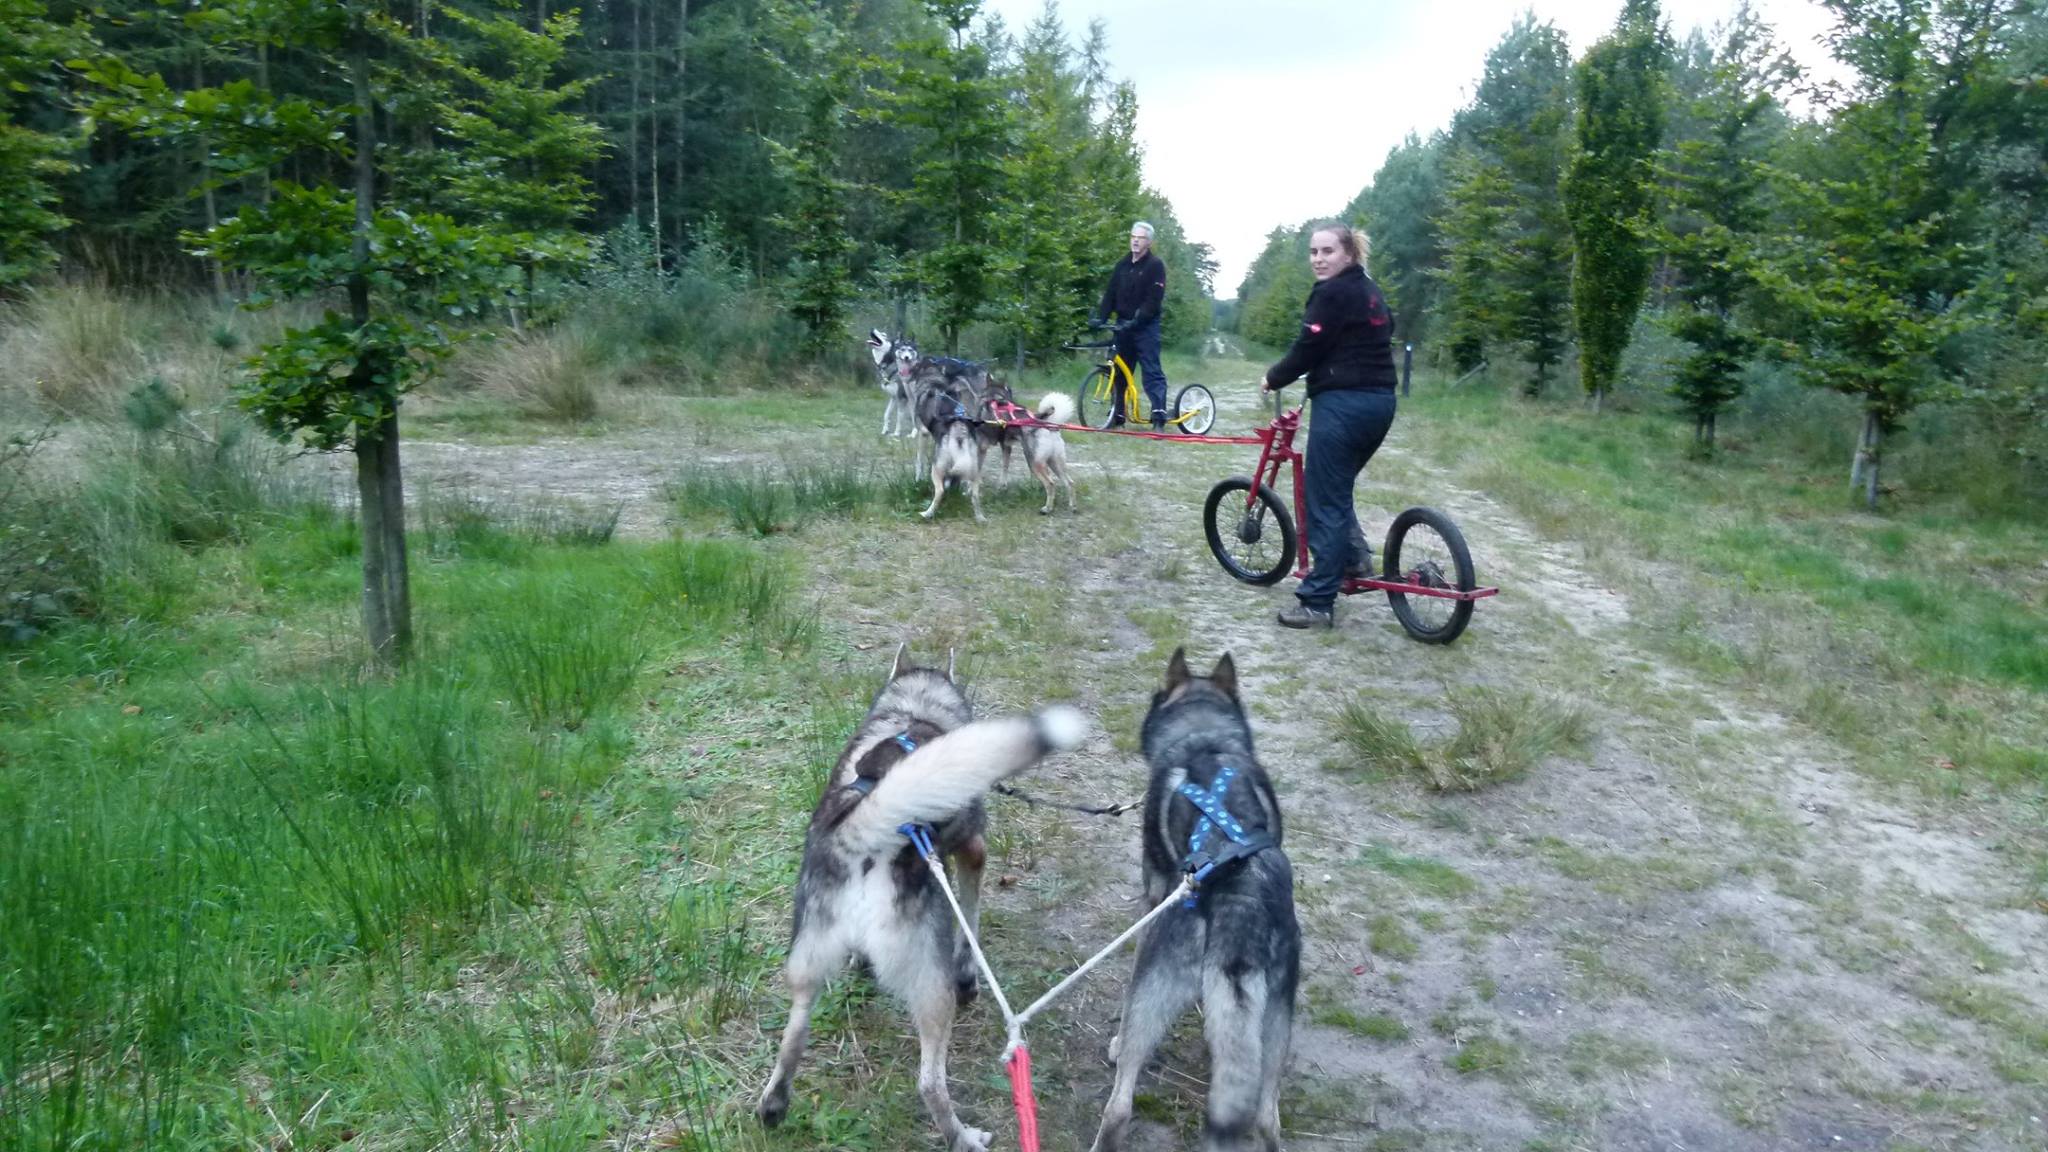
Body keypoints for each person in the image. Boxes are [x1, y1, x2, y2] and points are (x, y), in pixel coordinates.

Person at [1260, 222, 1399, 629]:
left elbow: (1308, 346)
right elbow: (1380, 331)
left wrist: (1273, 377)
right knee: (1335, 489)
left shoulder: (1332, 292)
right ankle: (1353, 558)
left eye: (1328, 252)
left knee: (1322, 499)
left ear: (1349, 255)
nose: (1319, 260)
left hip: (1344, 406)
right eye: (1313, 252)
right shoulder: (1369, 290)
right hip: (1381, 404)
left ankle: (1318, 600)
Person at [1093, 221, 1170, 429]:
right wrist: (1101, 318)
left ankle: (1159, 417)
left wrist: (1138, 319)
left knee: (1151, 370)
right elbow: (1110, 294)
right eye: (1133, 237)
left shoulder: (1155, 265)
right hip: (1122, 325)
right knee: (1118, 371)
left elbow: (1154, 299)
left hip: (1145, 326)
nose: (1135, 240)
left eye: (1141, 238)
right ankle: (1117, 415)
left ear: (1149, 242)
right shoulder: (1122, 265)